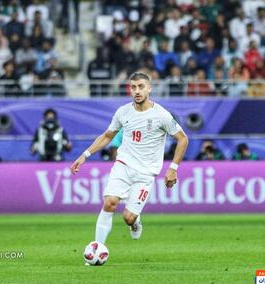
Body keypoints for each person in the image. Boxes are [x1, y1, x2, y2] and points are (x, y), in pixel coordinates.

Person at [70, 72, 188, 246]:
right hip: (123, 165)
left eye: (141, 86)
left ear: (149, 88)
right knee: (110, 203)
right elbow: (107, 136)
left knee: (128, 217)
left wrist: (173, 168)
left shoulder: (161, 115)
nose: (137, 91)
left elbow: (183, 138)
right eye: (133, 87)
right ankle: (97, 247)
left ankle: (135, 223)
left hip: (146, 174)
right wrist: (85, 155)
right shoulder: (123, 112)